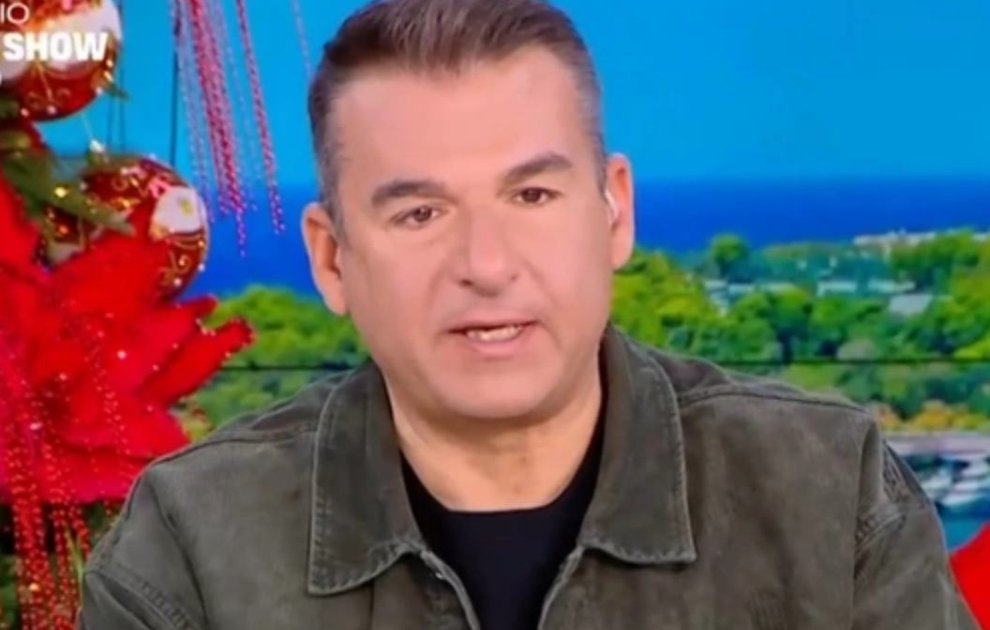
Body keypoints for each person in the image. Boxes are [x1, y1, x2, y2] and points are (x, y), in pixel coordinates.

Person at [78, 0, 978, 628]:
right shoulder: (193, 543)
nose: (486, 264)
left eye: (533, 195)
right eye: (420, 214)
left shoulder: (829, 493)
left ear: (614, 211)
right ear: (332, 258)